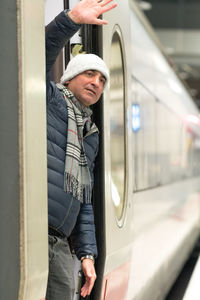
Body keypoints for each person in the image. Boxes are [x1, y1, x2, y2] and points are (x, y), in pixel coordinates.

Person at [45, 1, 117, 299]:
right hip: (33, 235)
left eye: (101, 80)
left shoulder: (90, 133)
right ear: (69, 78)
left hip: (59, 243)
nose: (96, 83)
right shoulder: (49, 101)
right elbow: (30, 59)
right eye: (89, 74)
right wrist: (71, 20)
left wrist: (87, 254)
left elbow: (83, 198)